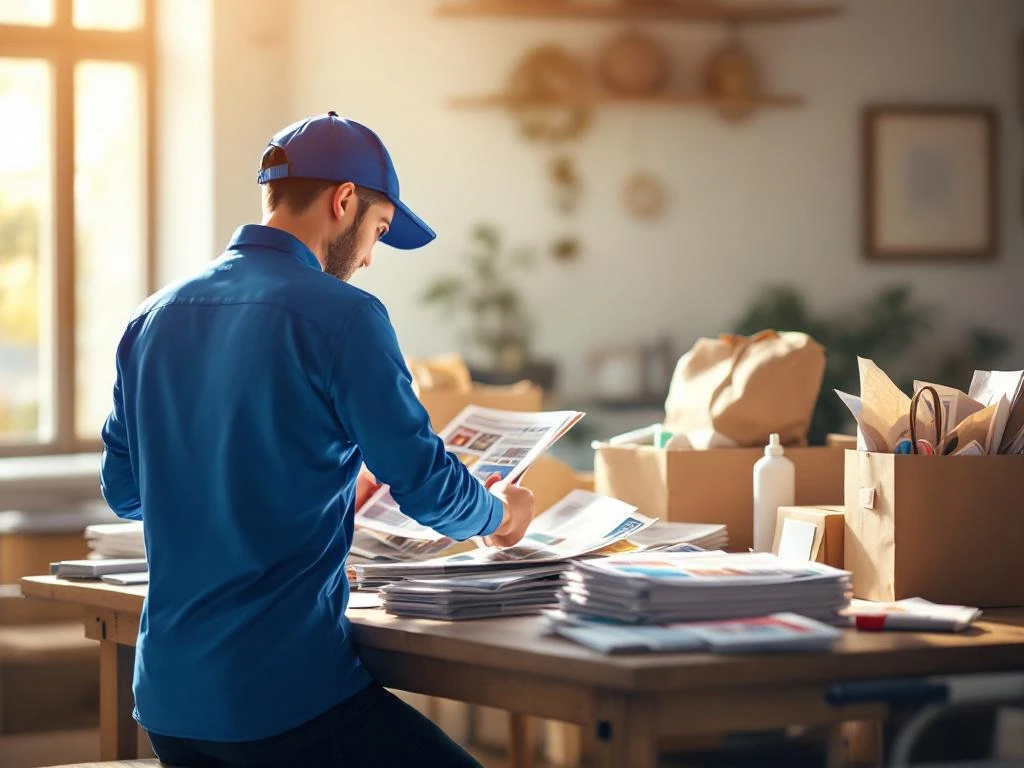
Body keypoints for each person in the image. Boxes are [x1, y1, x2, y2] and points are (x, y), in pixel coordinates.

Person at [99, 112, 535, 767]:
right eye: (379, 232)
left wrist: (307, 483)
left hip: (171, 706)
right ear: (343, 202)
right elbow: (423, 482)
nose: (368, 257)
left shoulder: (151, 317)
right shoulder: (346, 316)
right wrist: (500, 517)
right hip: (284, 702)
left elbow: (127, 492)